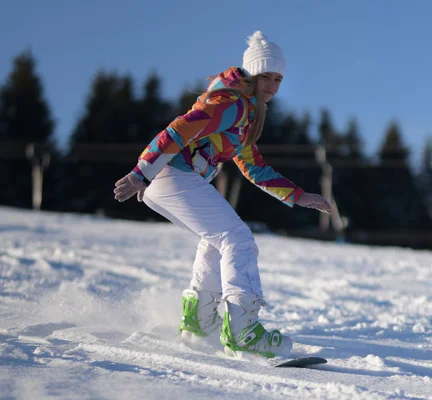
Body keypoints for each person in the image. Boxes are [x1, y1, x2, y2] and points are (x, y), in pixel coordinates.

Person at [113, 31, 331, 358]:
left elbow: (253, 166)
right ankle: (244, 330)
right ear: (251, 75)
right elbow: (180, 128)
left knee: (218, 240)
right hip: (171, 173)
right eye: (266, 76)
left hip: (170, 179)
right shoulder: (231, 105)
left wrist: (298, 196)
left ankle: (199, 321)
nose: (272, 85)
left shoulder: (246, 114)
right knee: (237, 239)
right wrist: (141, 171)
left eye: (278, 79)